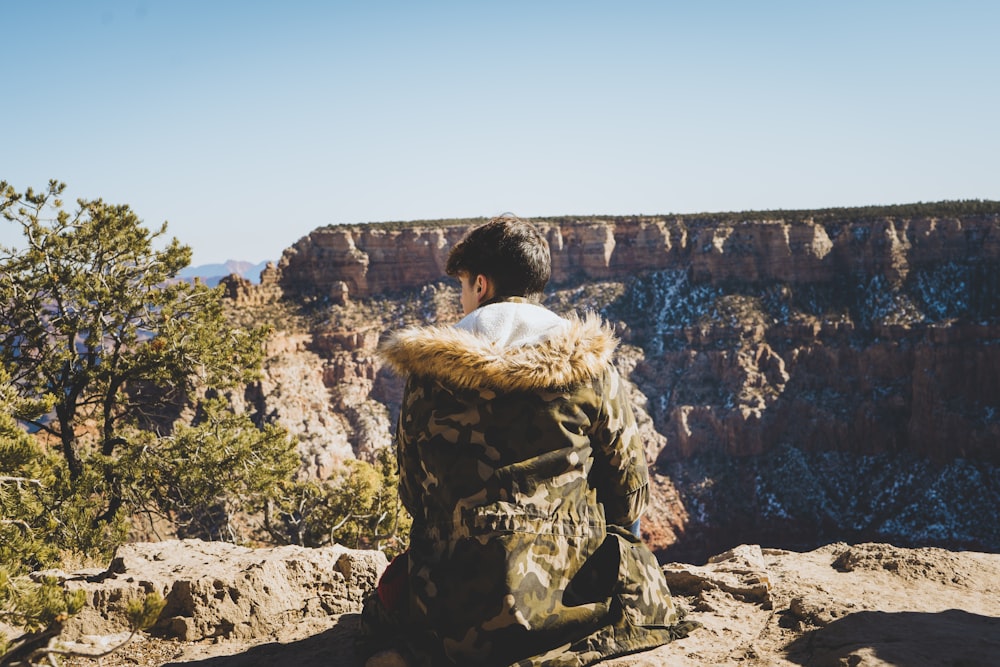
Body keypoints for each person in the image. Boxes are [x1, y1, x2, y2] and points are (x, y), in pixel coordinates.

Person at [358, 214, 694, 667]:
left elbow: (414, 495)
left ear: (481, 285)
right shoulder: (592, 371)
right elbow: (630, 494)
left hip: (450, 612)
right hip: (571, 604)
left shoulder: (426, 377)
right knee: (637, 571)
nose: (460, 300)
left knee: (394, 588)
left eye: (461, 287)